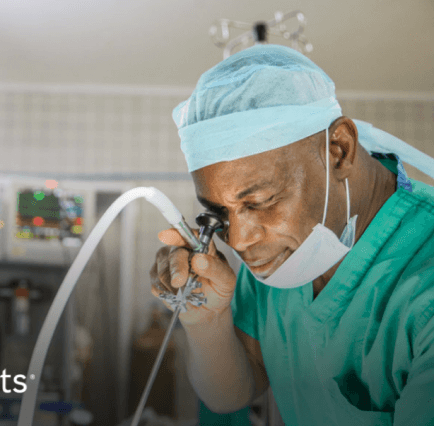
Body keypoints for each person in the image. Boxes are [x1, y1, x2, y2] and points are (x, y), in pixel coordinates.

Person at [149, 44, 433, 425]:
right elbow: (235, 389)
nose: (239, 241)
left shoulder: (424, 280)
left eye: (260, 201)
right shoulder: (279, 256)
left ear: (339, 150)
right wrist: (207, 324)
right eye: (220, 214)